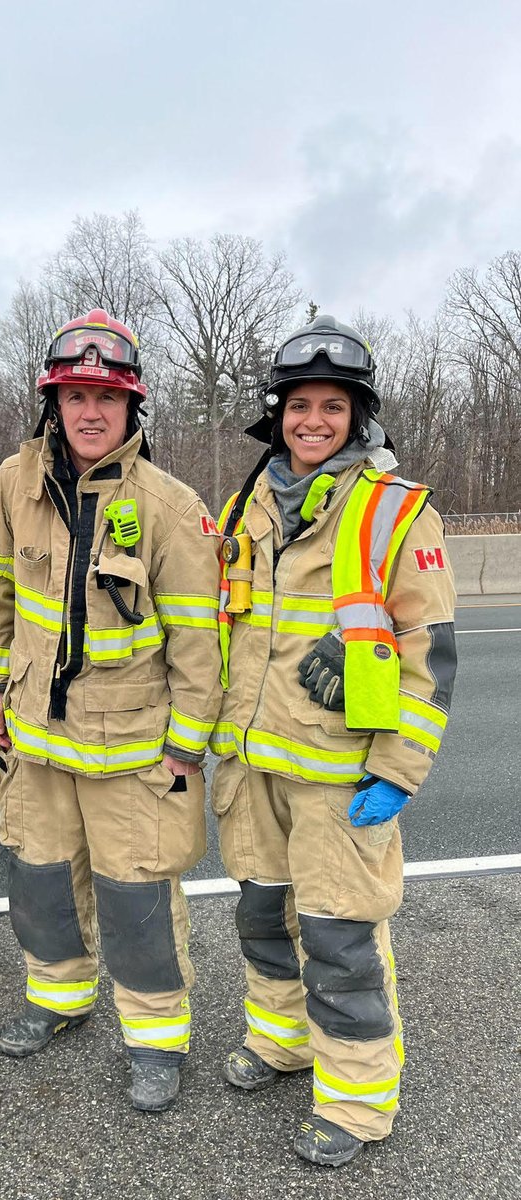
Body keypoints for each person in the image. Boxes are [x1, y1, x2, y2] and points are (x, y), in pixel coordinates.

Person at [210, 315, 457, 1166]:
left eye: (333, 407)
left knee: (342, 939)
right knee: (262, 920)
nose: (313, 421)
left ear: (360, 416)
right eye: (299, 405)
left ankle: (355, 1101)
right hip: (253, 769)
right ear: (277, 412)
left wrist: (399, 769)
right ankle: (283, 1042)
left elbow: (430, 658)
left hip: (340, 780)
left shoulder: (396, 512)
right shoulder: (246, 504)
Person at [0, 309, 222, 1112]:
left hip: (136, 751)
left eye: (105, 398)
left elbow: (197, 637)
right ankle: (59, 1000)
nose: (89, 411)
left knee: (136, 899)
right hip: (38, 743)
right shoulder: (13, 482)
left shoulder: (170, 508)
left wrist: (185, 747)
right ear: (52, 402)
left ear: (133, 408)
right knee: (39, 881)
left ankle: (155, 1042)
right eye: (74, 394)